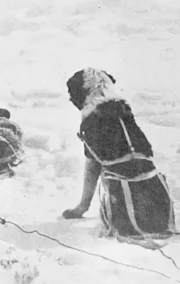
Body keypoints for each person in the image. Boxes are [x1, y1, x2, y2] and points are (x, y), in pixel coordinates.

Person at [62, 69, 176, 244]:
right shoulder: (124, 113)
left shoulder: (92, 121)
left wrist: (82, 208)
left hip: (124, 205)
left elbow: (93, 168)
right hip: (156, 206)